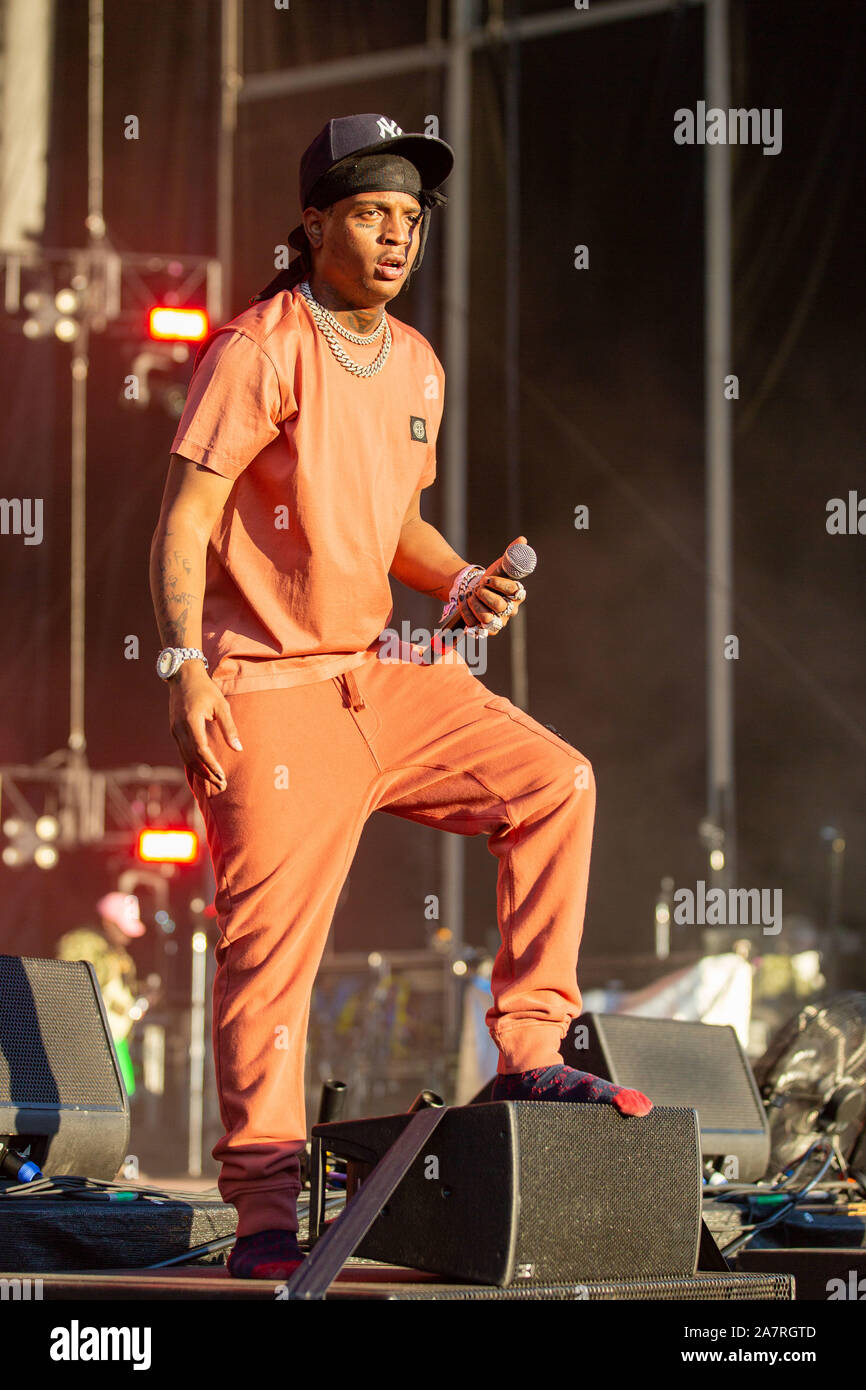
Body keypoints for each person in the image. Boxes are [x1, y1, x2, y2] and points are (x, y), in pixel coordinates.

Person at [149, 114, 652, 1280]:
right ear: (315, 222)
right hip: (267, 687)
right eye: (370, 213)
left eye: (411, 219)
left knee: (554, 779)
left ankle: (528, 1045)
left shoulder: (416, 360)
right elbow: (184, 520)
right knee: (268, 961)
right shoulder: (257, 347)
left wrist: (460, 577)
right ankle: (267, 1210)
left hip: (378, 669)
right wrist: (181, 667)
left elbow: (391, 528)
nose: (395, 237)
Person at [56, 892, 147, 1096]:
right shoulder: (83, 944)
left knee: (122, 1095)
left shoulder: (117, 953)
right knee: (105, 1098)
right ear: (107, 922)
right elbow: (72, 989)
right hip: (87, 1042)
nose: (126, 937)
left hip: (112, 1038)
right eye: (121, 929)